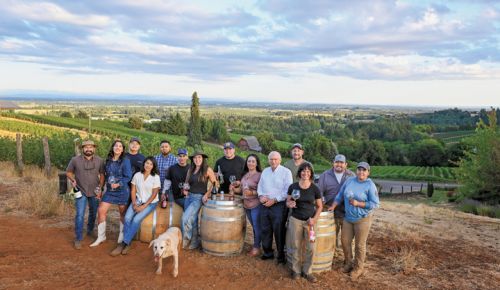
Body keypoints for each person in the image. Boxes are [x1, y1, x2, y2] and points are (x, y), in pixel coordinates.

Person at [328, 162, 380, 281]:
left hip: (362, 219)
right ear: (356, 171)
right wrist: (334, 206)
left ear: (368, 172)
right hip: (348, 218)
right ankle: (348, 263)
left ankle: (358, 268)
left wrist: (359, 204)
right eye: (359, 169)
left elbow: (375, 204)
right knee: (345, 242)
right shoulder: (350, 181)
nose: (361, 172)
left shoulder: (370, 185)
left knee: (359, 245)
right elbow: (340, 195)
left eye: (364, 170)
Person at [110, 156, 161, 256]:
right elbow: (133, 190)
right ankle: (128, 242)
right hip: (138, 200)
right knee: (127, 218)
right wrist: (134, 203)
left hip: (150, 203)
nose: (148, 165)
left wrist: (143, 206)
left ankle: (123, 243)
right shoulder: (137, 175)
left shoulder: (156, 177)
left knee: (136, 219)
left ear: (153, 166)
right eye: (147, 163)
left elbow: (154, 194)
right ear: (144, 164)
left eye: (151, 164)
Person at [90, 139, 132, 247]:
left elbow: (128, 176)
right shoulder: (108, 161)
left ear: (122, 150)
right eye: (116, 146)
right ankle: (101, 236)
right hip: (110, 191)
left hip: (122, 191)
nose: (118, 148)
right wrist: (100, 188)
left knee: (122, 214)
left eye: (120, 146)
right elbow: (104, 176)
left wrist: (119, 184)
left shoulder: (125, 161)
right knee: (101, 210)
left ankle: (122, 235)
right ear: (113, 148)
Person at [286, 162, 322, 282]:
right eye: (303, 170)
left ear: (311, 173)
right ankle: (296, 270)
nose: (305, 173)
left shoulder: (315, 188)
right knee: (295, 246)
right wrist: (290, 203)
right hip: (295, 220)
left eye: (308, 171)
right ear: (299, 172)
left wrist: (314, 219)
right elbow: (288, 202)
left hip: (310, 222)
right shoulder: (293, 187)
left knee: (311, 247)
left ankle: (307, 271)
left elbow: (320, 206)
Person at [66, 140, 105, 250]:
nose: (88, 149)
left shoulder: (100, 161)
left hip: (94, 191)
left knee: (93, 212)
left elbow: (102, 174)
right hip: (80, 190)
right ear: (82, 149)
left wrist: (100, 187)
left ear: (94, 149)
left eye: (90, 147)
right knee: (80, 214)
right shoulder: (75, 160)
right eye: (86, 147)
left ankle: (89, 230)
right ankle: (78, 238)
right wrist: (72, 180)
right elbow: (68, 172)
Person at [257, 151, 293, 264]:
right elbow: (260, 186)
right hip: (264, 204)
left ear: (280, 160)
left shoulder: (286, 172)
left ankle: (281, 256)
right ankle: (268, 253)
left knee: (279, 230)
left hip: (279, 205)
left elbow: (288, 190)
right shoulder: (265, 171)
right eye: (271, 159)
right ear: (268, 160)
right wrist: (260, 196)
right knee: (265, 229)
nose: (273, 161)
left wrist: (275, 200)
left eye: (276, 159)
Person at [317, 154, 354, 253]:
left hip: (347, 212)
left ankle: (348, 257)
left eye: (341, 163)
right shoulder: (325, 175)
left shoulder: (351, 176)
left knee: (347, 238)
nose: (339, 164)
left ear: (346, 164)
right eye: (337, 162)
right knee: (331, 236)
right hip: (330, 211)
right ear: (333, 163)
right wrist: (322, 199)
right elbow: (319, 192)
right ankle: (332, 255)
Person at [181, 150, 216, 250]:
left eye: (199, 157)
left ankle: (186, 239)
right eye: (195, 158)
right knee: (193, 220)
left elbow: (215, 184)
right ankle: (195, 241)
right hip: (189, 197)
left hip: (198, 198)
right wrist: (185, 189)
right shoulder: (190, 169)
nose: (197, 159)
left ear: (203, 159)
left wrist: (206, 194)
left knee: (185, 219)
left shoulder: (207, 169)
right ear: (193, 160)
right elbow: (186, 183)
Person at [232, 154, 262, 257]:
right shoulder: (245, 175)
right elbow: (241, 190)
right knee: (254, 226)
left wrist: (252, 193)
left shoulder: (259, 175)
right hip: (246, 205)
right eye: (249, 161)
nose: (251, 163)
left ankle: (256, 247)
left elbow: (262, 191)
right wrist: (233, 189)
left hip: (256, 205)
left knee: (257, 227)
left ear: (257, 163)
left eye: (253, 161)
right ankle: (257, 244)